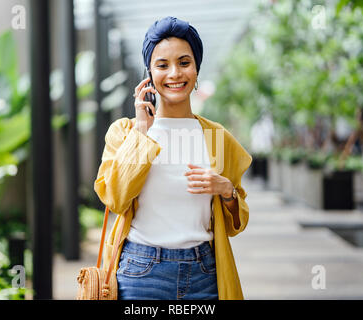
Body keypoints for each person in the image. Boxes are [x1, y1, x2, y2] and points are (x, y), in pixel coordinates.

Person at [94, 16, 252, 300]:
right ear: (149, 73)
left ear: (196, 68)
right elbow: (115, 199)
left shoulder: (216, 136)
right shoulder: (126, 132)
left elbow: (233, 224)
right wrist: (142, 132)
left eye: (184, 62)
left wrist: (226, 190)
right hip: (141, 273)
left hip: (205, 273)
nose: (175, 74)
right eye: (162, 65)